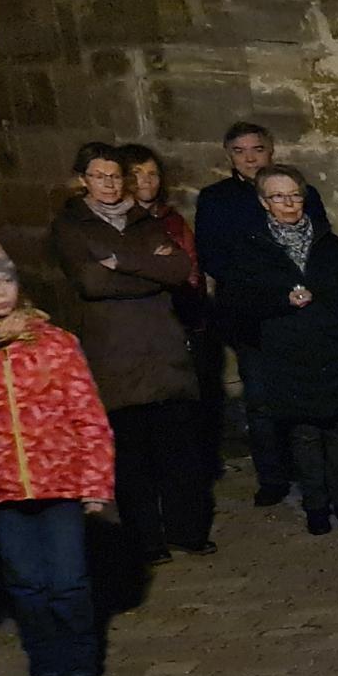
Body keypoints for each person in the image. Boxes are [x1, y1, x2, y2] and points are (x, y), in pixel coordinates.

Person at [48, 140, 215, 563]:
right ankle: (146, 540)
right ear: (83, 180)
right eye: (99, 176)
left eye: (114, 176)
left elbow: (178, 269)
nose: (108, 184)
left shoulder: (145, 218)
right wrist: (147, 268)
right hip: (116, 356)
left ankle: (187, 531)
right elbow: (91, 283)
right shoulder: (72, 225)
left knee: (179, 450)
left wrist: (118, 262)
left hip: (164, 352)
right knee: (132, 458)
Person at [214, 166, 338, 535]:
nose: (288, 203)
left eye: (294, 195)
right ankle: (316, 505)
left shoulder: (331, 246)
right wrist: (281, 300)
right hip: (285, 353)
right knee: (303, 432)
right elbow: (235, 303)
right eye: (277, 196)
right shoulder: (250, 250)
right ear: (263, 202)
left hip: (333, 352)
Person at [0, 242, 113, 676]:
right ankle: (47, 668)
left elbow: (88, 416)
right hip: (1, 490)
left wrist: (95, 482)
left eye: (6, 280)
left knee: (68, 582)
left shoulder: (54, 344)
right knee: (26, 586)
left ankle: (82, 668)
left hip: (58, 482)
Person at [193, 120, 330, 506]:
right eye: (240, 151)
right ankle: (273, 476)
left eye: (257, 149)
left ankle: (313, 473)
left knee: (305, 391)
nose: (250, 158)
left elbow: (317, 242)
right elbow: (214, 256)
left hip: (301, 311)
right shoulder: (217, 199)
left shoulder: (304, 193)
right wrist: (269, 290)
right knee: (261, 397)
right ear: (229, 155)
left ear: (271, 151)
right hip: (251, 315)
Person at [116, 143, 218, 470]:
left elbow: (187, 268)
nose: (146, 181)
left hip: (182, 319)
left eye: (153, 173)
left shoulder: (171, 220)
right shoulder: (119, 224)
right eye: (136, 174)